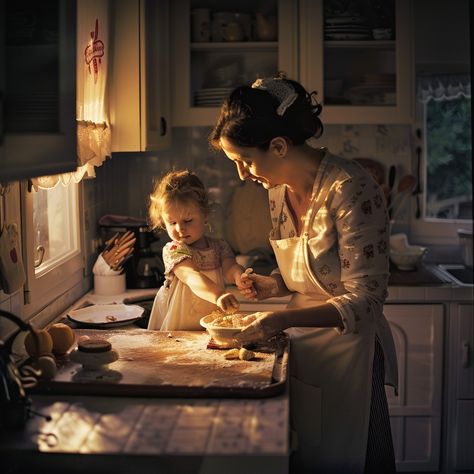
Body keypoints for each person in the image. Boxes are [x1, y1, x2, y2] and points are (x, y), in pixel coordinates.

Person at [209, 74, 398, 474]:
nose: (242, 174)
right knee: (306, 454)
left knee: (354, 456)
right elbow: (313, 271)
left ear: (278, 146)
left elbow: (366, 301)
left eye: (245, 160)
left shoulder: (351, 188)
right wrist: (274, 284)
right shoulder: (276, 189)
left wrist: (281, 317)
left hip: (351, 355)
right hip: (302, 350)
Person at [147, 169, 246, 331]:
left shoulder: (219, 246)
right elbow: (192, 276)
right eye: (172, 223)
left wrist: (239, 277)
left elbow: (230, 268)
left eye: (187, 220)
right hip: (180, 324)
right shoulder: (174, 249)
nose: (180, 229)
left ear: (205, 214)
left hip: (211, 317)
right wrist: (218, 295)